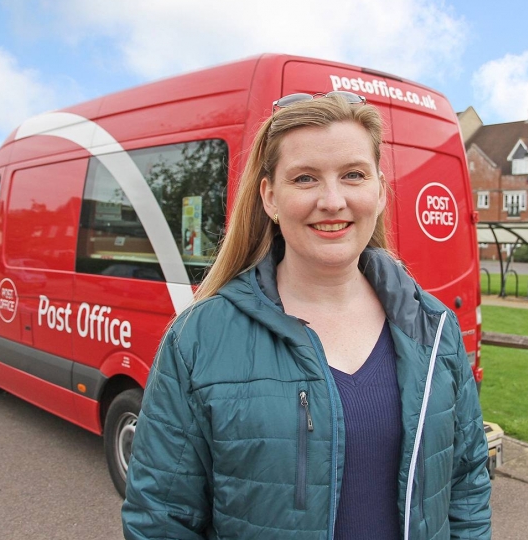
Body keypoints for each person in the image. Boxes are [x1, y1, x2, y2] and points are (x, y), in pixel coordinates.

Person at [122, 92, 492, 539]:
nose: (333, 200)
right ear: (270, 198)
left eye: (354, 175)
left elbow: (466, 486)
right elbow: (161, 519)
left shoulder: (432, 329)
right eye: (305, 178)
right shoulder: (198, 339)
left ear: (378, 192)